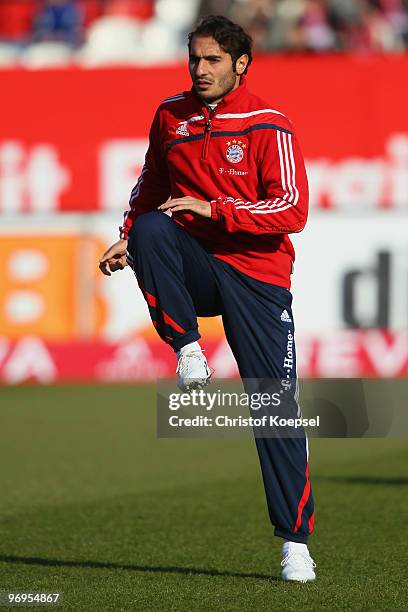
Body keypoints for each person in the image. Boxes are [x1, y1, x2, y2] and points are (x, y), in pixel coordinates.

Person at [99, 14, 316, 582]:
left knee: (274, 407)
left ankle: (295, 544)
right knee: (149, 230)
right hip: (197, 266)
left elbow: (292, 209)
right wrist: (127, 235)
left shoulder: (269, 123)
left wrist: (212, 209)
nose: (201, 69)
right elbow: (151, 182)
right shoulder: (170, 115)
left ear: (241, 64)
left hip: (257, 275)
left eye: (214, 60)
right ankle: (188, 351)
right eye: (195, 58)